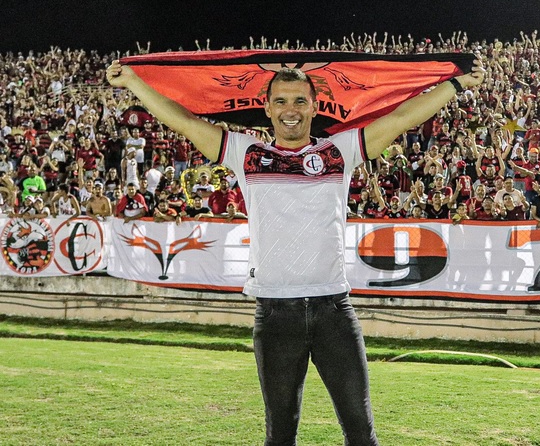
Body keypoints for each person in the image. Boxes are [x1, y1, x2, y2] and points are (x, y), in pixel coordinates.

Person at [107, 57, 484, 446]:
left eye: (300, 101)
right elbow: (182, 121)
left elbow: (403, 117)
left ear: (315, 106)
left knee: (360, 430)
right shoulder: (245, 153)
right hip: (274, 314)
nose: (291, 110)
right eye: (282, 101)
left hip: (334, 311)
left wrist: (456, 85)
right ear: (267, 108)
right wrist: (134, 82)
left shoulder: (340, 151)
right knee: (280, 433)